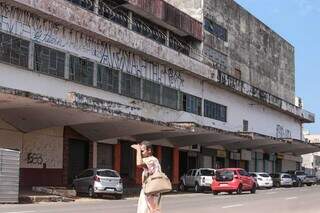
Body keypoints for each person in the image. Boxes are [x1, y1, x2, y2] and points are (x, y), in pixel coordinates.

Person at [131, 141, 162, 213]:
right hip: (149, 190)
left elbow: (139, 163)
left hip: (151, 191)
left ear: (149, 150)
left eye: (142, 151)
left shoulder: (152, 159)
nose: (141, 153)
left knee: (149, 210)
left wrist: (138, 150)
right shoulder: (151, 159)